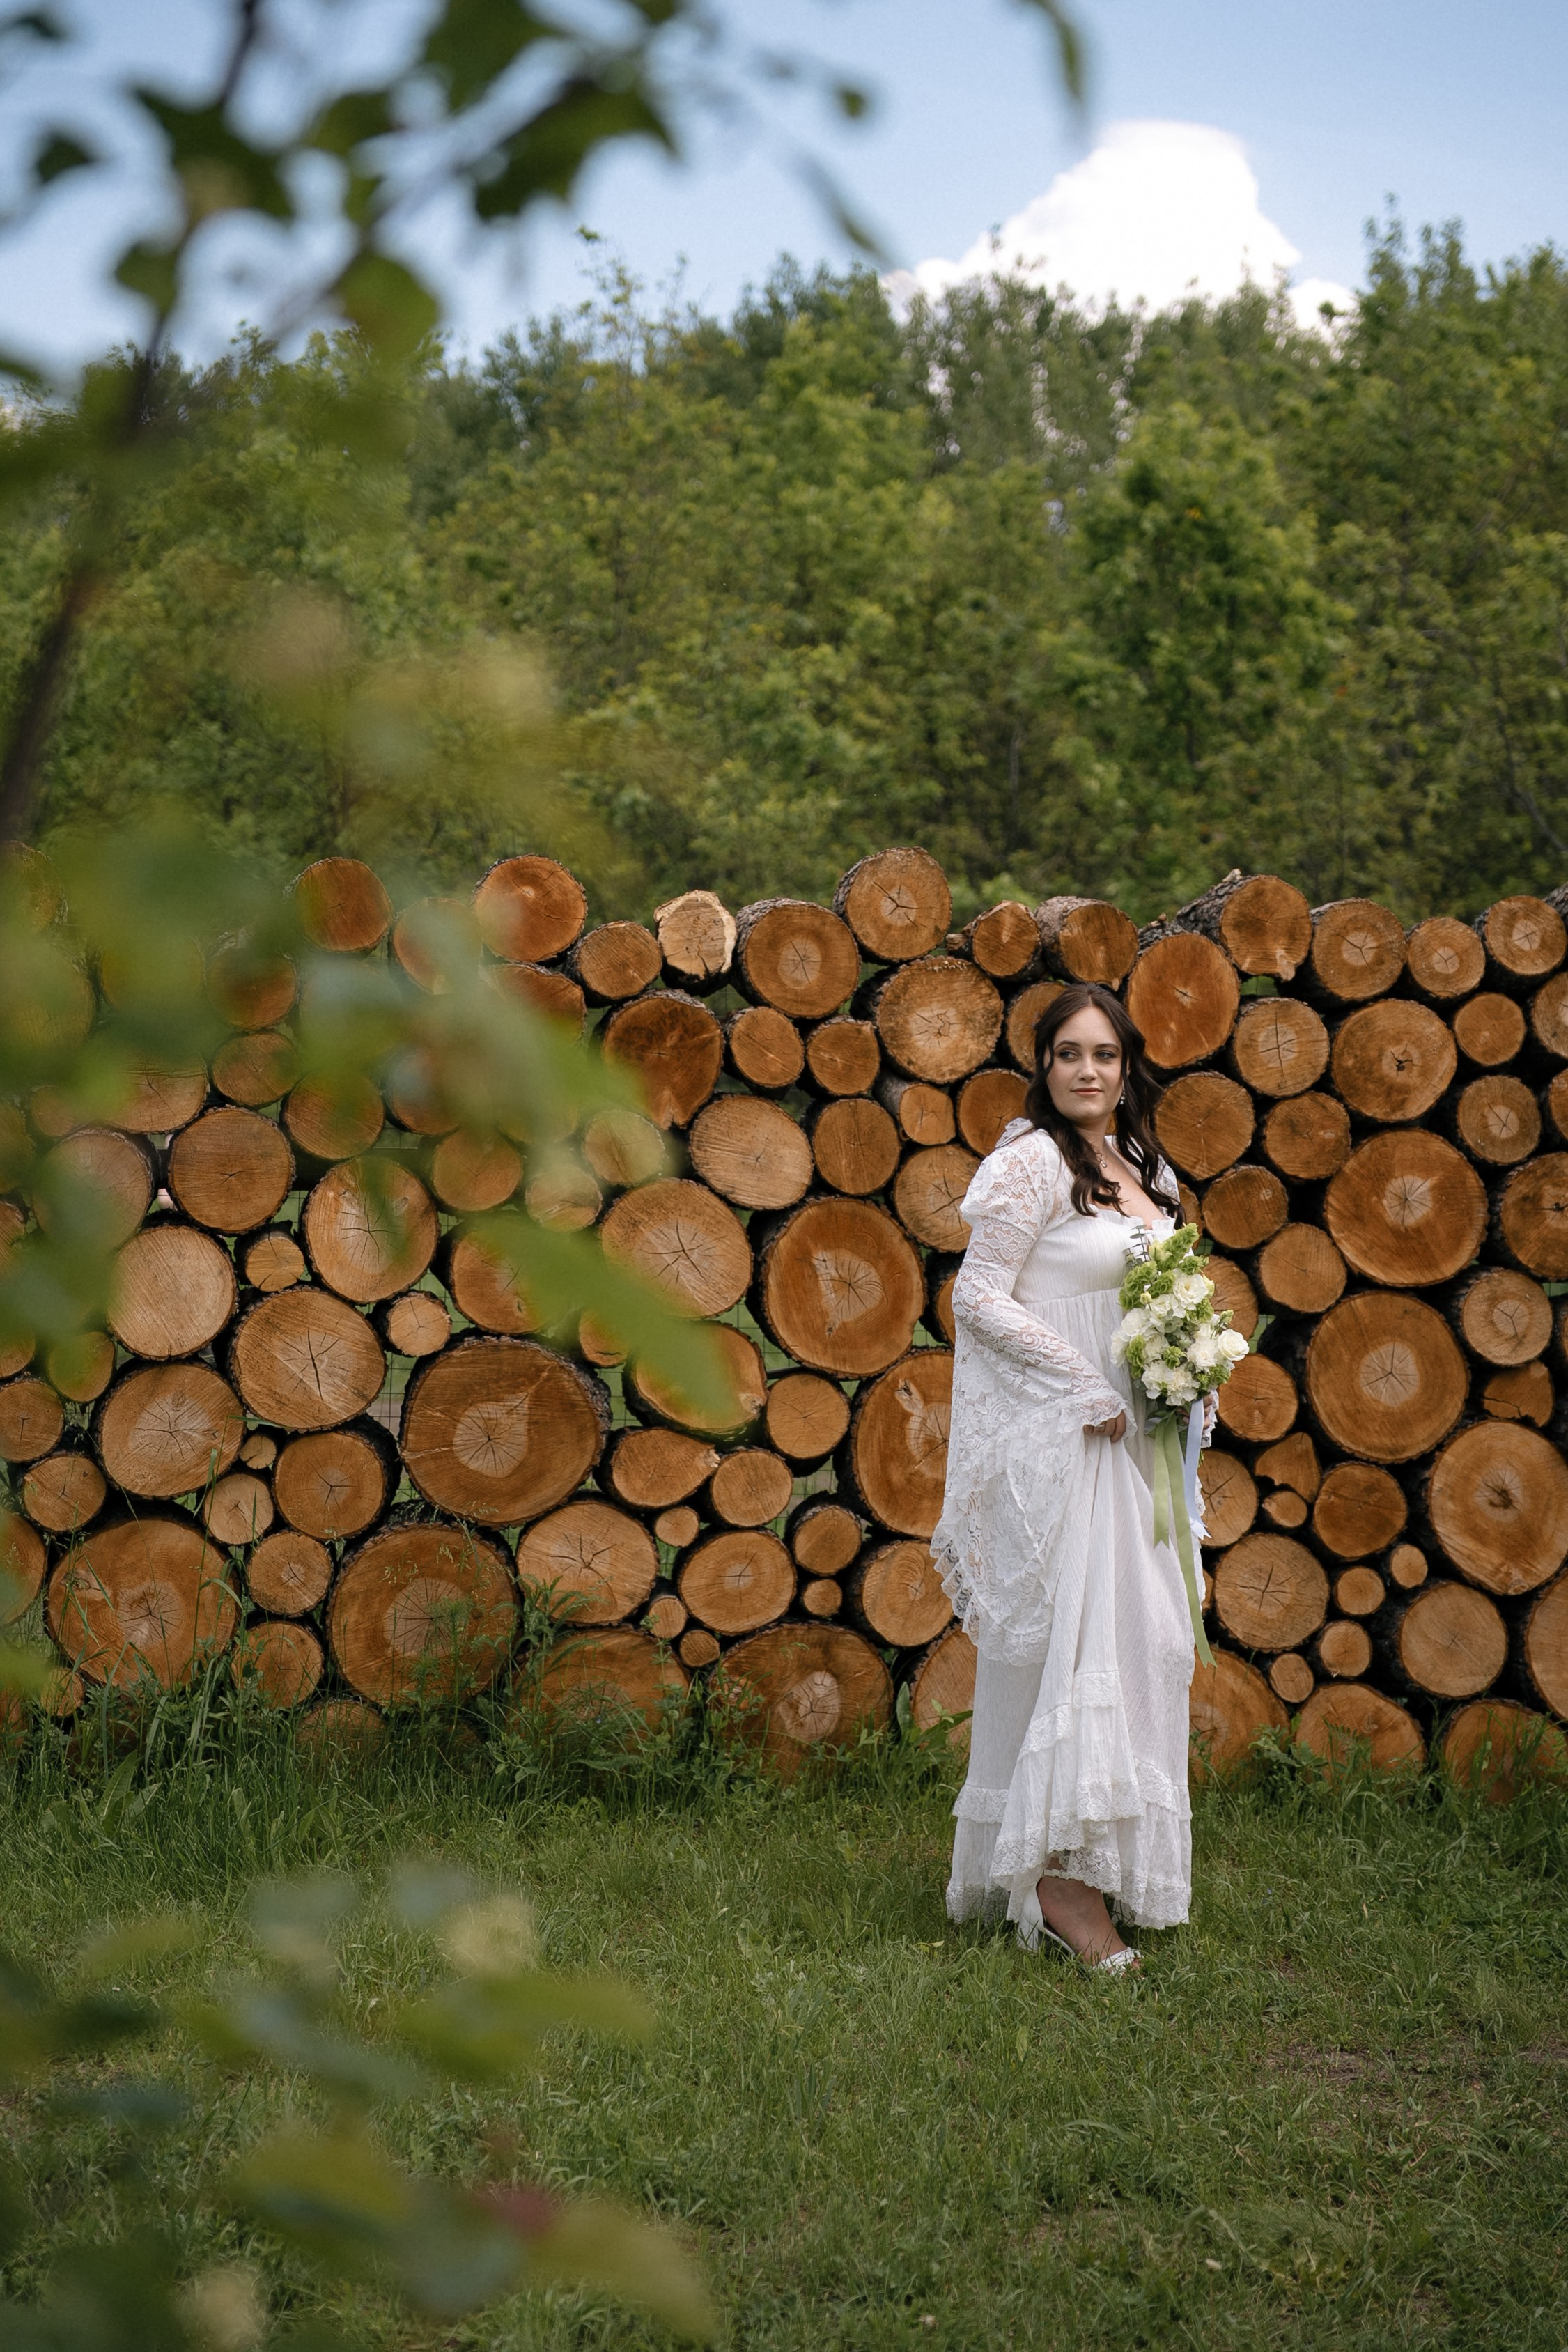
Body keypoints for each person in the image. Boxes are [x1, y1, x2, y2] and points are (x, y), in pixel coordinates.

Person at [932, 982, 1204, 1971]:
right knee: (1085, 1649)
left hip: (1140, 1439)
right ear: (1044, 1066)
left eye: (1104, 1054)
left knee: (1149, 1643)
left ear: (1127, 1068)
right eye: (1069, 1054)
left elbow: (1164, 1290)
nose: (1088, 1071)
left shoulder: (1144, 1165)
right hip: (1070, 1436)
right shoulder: (1030, 1163)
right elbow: (978, 1297)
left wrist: (1186, 1373)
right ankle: (1061, 1888)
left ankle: (1098, 1858)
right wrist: (1078, 1382)